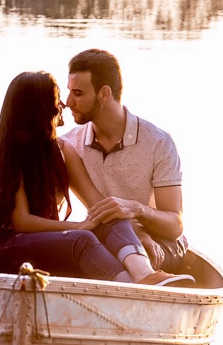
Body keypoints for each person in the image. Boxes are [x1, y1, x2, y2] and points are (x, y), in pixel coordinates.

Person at [0, 71, 181, 285]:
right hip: (7, 245)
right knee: (82, 239)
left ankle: (144, 274)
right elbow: (21, 221)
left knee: (109, 212)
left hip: (42, 242)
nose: (63, 112)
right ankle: (128, 287)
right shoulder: (11, 153)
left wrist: (135, 230)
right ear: (39, 110)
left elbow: (98, 203)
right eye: (56, 105)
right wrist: (79, 226)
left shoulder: (62, 150)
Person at [60, 48, 190, 275]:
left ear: (104, 93)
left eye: (78, 93)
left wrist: (136, 210)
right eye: (69, 91)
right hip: (106, 237)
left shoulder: (157, 142)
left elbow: (174, 227)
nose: (68, 102)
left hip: (160, 243)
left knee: (136, 256)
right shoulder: (69, 145)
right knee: (81, 253)